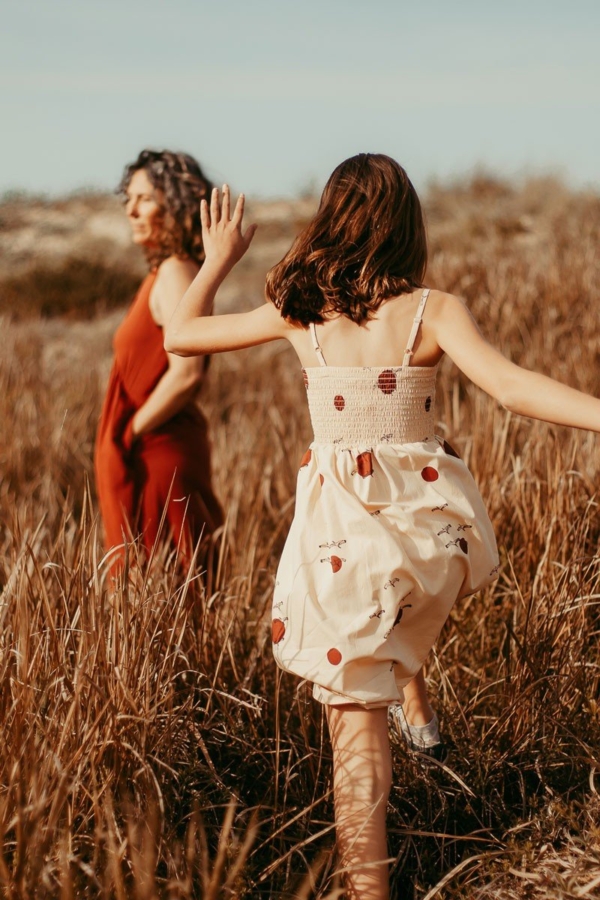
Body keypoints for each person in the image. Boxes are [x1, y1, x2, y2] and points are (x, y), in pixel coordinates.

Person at [164, 154, 600, 899]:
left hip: (339, 535)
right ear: (408, 226)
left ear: (330, 218)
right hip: (424, 526)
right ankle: (421, 718)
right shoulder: (433, 310)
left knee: (353, 719)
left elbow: (182, 335)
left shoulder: (297, 307)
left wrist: (216, 261)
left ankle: (369, 889)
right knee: (390, 609)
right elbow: (510, 387)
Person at [94, 149, 223, 569]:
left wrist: (131, 432)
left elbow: (187, 373)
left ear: (175, 205)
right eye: (128, 198)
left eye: (145, 199)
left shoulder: (174, 272)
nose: (131, 210)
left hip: (157, 454)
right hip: (154, 447)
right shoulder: (166, 272)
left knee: (163, 592)